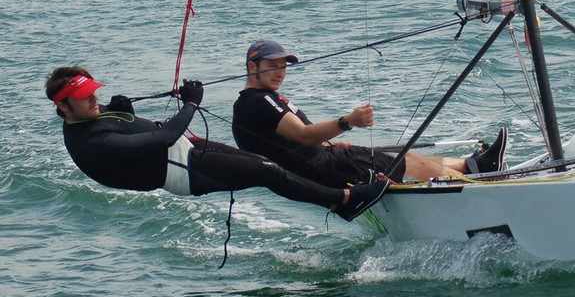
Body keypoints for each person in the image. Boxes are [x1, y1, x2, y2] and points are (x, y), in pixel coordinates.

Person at [45, 66, 390, 222]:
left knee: (267, 166)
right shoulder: (90, 142)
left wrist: (123, 111)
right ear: (63, 106)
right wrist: (192, 104)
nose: (94, 100)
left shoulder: (90, 116)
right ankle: (343, 201)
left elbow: (127, 127)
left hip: (188, 149)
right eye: (83, 97)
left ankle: (341, 191)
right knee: (267, 171)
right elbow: (162, 138)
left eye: (93, 92)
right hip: (184, 172)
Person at [232, 40, 508, 187]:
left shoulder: (258, 100)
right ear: (252, 67)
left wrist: (329, 142)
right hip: (325, 169)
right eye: (272, 65)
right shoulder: (258, 101)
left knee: (405, 156)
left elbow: (287, 143)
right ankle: (478, 172)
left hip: (325, 159)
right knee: (403, 163)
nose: (280, 72)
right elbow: (303, 136)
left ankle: (472, 165)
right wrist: (347, 122)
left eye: (283, 66)